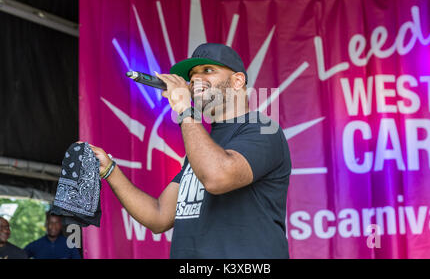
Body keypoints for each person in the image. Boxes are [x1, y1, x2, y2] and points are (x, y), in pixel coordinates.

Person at [88, 43, 292, 258]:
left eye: (208, 70)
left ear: (237, 81)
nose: (195, 79)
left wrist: (185, 109)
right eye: (192, 75)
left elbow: (217, 178)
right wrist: (110, 170)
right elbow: (159, 216)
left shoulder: (262, 130)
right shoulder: (204, 144)